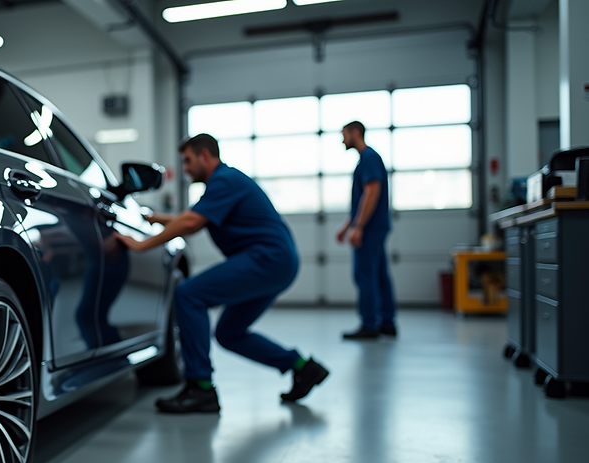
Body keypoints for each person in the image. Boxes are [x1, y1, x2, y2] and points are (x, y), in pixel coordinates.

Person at [115, 134, 329, 413]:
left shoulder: (224, 180)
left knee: (189, 294)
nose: (186, 169)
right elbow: (194, 215)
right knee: (230, 333)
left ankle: (201, 387)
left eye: (189, 161)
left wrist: (142, 244)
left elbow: (192, 222)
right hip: (277, 262)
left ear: (206, 156)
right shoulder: (225, 183)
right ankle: (302, 367)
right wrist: (153, 219)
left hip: (267, 259)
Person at [335, 121, 397, 340]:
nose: (342, 140)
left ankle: (369, 324)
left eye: (344, 135)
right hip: (375, 227)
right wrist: (346, 227)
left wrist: (359, 227)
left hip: (370, 229)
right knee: (379, 275)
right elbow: (362, 198)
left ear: (355, 133)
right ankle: (387, 322)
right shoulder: (370, 158)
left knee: (364, 275)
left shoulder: (368, 158)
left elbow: (371, 193)